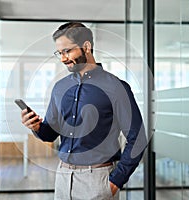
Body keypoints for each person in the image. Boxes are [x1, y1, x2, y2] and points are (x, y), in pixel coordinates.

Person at [21, 22, 146, 200]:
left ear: (86, 47)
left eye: (67, 51)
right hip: (63, 176)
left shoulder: (116, 87)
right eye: (59, 53)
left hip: (98, 180)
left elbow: (138, 138)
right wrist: (35, 126)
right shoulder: (60, 88)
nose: (63, 58)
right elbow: (50, 133)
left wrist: (115, 181)